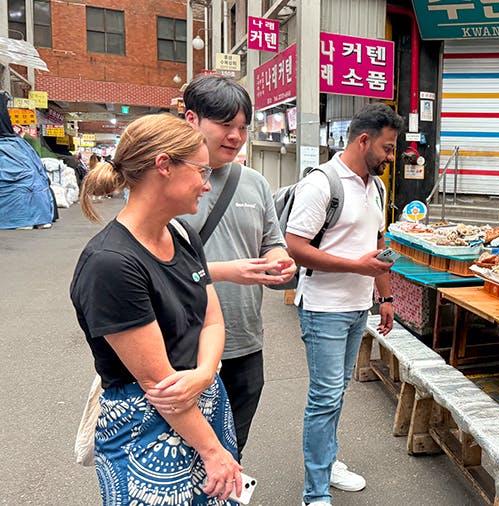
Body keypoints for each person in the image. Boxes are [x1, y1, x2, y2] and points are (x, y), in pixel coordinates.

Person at [69, 114, 243, 503]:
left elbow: (212, 319)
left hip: (203, 401)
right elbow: (158, 384)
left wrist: (202, 374)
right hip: (148, 424)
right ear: (164, 165)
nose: (206, 183)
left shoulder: (181, 233)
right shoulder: (111, 263)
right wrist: (213, 451)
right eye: (201, 170)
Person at [285, 102, 401, 506]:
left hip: (357, 309)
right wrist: (356, 266)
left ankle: (328, 463)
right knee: (325, 396)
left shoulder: (377, 186)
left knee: (337, 393)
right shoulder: (322, 183)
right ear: (363, 139)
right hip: (323, 308)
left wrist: (385, 296)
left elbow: (378, 247)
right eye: (387, 148)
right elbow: (295, 247)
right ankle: (314, 492)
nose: (391, 157)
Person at [180, 74, 297, 460]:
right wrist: (226, 271)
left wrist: (280, 261)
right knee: (183, 456)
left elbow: (272, 240)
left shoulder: (255, 183)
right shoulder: (166, 179)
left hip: (246, 341)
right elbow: (150, 267)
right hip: (183, 346)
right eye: (226, 125)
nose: (236, 136)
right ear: (192, 119)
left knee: (232, 452)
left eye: (243, 127)